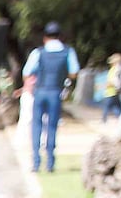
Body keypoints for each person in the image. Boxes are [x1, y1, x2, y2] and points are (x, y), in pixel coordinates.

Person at [22, 22, 79, 172]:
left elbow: (27, 72)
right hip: (55, 92)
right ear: (60, 36)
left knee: (37, 125)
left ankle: (36, 162)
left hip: (40, 91)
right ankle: (50, 163)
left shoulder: (38, 52)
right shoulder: (68, 51)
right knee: (52, 126)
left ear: (45, 37)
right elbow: (74, 72)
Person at [102, 53, 121, 123]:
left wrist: (108, 84)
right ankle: (120, 118)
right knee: (116, 107)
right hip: (112, 91)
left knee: (107, 106)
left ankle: (104, 120)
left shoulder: (116, 70)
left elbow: (113, 81)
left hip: (111, 91)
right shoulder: (114, 69)